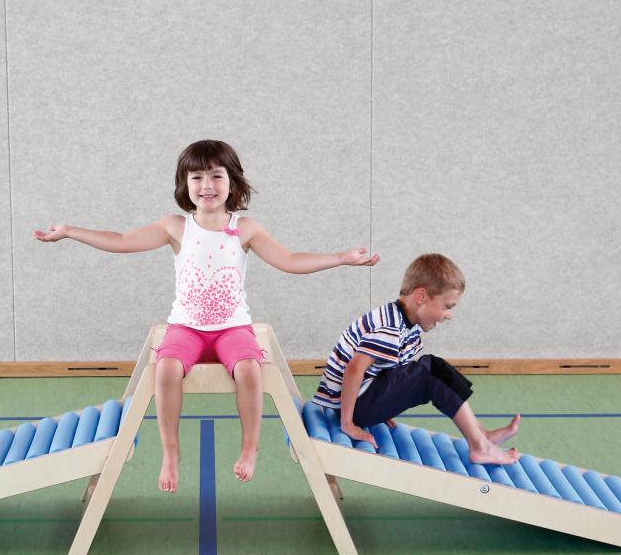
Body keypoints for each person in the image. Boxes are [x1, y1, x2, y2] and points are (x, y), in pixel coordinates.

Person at [34, 139, 379, 492]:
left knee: (250, 369)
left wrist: (340, 258)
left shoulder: (245, 228)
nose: (207, 185)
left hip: (232, 329)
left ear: (232, 181)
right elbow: (122, 240)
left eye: (216, 176)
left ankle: (250, 447)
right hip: (187, 328)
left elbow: (289, 260)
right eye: (197, 177)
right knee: (166, 369)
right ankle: (171, 452)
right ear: (184, 184)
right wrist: (70, 232)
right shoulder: (176, 227)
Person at [313, 253, 520, 464]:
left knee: (435, 366)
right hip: (353, 407)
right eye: (447, 306)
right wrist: (347, 423)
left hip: (363, 399)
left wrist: (388, 402)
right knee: (427, 376)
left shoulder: (405, 323)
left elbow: (391, 370)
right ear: (421, 297)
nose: (449, 315)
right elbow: (354, 370)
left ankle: (481, 434)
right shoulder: (389, 328)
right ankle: (480, 447)